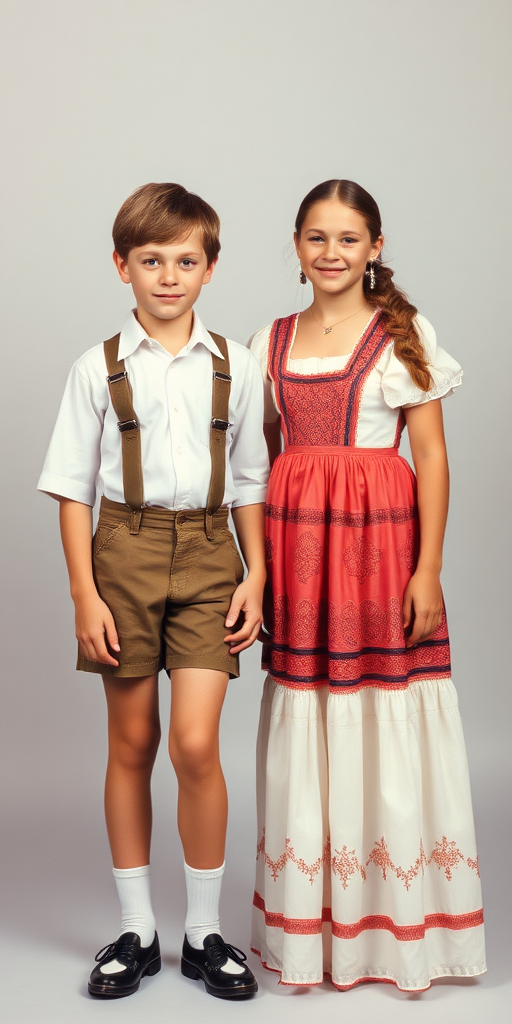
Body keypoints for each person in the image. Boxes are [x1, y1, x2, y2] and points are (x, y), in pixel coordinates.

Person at [249, 179, 485, 992]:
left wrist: (429, 568)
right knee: (310, 707)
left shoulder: (400, 332)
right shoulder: (269, 340)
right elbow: (268, 454)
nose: (332, 253)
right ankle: (314, 925)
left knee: (380, 710)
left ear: (375, 248)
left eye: (348, 239)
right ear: (296, 245)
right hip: (300, 551)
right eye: (317, 238)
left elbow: (435, 460)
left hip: (379, 549)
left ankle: (391, 930)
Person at [38, 182, 268, 1000]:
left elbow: (248, 482)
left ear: (209, 269)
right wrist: (84, 595)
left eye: (185, 260)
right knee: (131, 744)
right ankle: (137, 931)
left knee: (196, 745)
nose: (168, 276)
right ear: (122, 266)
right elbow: (72, 489)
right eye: (150, 260)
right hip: (123, 553)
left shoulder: (236, 366)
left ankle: (203, 934)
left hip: (211, 554)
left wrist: (258, 573)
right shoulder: (94, 368)